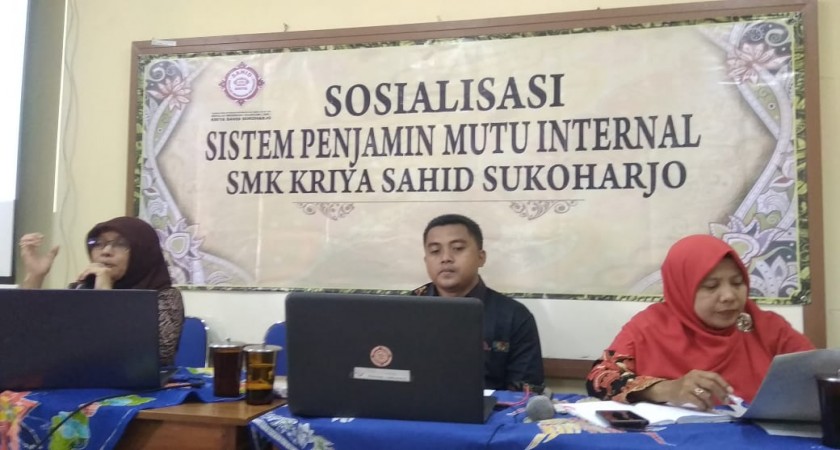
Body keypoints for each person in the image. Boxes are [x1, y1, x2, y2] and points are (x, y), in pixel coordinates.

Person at [586, 234, 814, 408]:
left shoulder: (766, 327)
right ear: (682, 289)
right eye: (711, 286)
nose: (729, 296)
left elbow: (817, 374)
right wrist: (667, 389)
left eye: (737, 283)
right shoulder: (649, 327)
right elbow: (600, 378)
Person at [19, 216, 185, 366]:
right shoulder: (81, 289)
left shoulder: (164, 297)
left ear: (143, 252)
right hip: (78, 381)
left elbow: (157, 355)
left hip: (139, 385)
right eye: (98, 243)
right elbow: (31, 338)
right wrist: (34, 276)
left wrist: (105, 295)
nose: (105, 251)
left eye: (120, 244)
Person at [412, 213, 544, 391]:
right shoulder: (406, 310)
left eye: (457, 248)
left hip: (490, 407)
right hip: (414, 405)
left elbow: (525, 391)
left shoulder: (514, 316)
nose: (446, 258)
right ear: (426, 260)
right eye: (435, 251)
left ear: (481, 257)